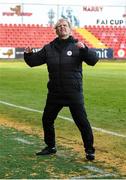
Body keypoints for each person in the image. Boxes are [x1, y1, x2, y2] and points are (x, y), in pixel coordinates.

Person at [24, 18, 99, 161]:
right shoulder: (49, 48)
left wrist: (85, 49)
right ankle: (50, 146)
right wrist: (28, 55)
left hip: (73, 92)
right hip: (55, 92)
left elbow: (93, 60)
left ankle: (89, 150)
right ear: (56, 30)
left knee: (82, 122)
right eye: (59, 26)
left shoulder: (78, 45)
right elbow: (33, 62)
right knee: (47, 119)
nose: (62, 28)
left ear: (70, 29)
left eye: (65, 25)